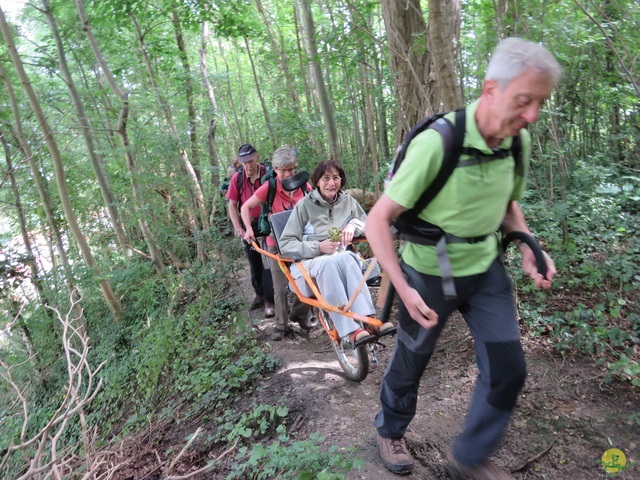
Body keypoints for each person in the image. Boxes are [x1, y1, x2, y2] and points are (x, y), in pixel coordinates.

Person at [365, 38, 561, 478]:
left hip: (486, 270)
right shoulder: (440, 142)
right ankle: (390, 429)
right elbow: (378, 221)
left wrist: (530, 245)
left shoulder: (516, 143)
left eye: (539, 104)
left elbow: (509, 205)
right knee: (412, 359)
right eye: (525, 101)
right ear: (491, 90)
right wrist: (403, 286)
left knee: (509, 367)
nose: (531, 115)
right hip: (427, 274)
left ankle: (468, 458)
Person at [279, 160, 395, 344]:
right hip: (309, 262)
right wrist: (318, 247)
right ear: (317, 181)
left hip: (338, 256)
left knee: (349, 257)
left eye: (336, 178)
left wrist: (353, 226)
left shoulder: (347, 201)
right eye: (326, 178)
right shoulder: (304, 206)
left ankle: (368, 320)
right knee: (330, 262)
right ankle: (349, 330)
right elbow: (285, 243)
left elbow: (366, 222)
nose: (331, 183)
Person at [241, 148, 312, 341]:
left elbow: (317, 205)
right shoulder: (269, 187)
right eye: (283, 170)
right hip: (276, 243)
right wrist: (248, 229)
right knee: (280, 286)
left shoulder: (304, 186)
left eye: (290, 170)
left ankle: (299, 315)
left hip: (301, 241)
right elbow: (245, 207)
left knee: (307, 279)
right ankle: (281, 325)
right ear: (275, 170)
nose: (288, 174)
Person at [227, 143, 275, 317]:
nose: (248, 165)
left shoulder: (268, 173)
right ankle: (260, 294)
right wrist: (238, 227)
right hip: (249, 224)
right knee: (254, 262)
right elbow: (232, 204)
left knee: (269, 262)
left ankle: (271, 300)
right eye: (244, 162)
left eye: (250, 160)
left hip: (269, 222)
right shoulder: (237, 179)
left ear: (256, 157)